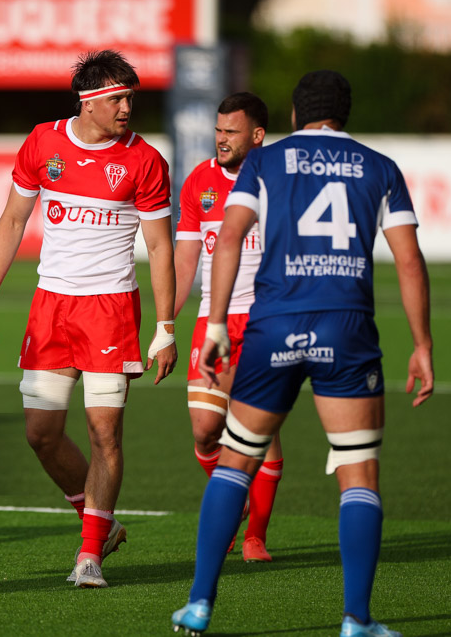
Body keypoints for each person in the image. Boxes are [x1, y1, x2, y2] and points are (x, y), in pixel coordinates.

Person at [171, 70, 433, 637]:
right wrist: (422, 345)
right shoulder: (380, 167)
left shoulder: (266, 163)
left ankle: (198, 603)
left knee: (236, 460)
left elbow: (232, 235)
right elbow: (410, 261)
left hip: (273, 325)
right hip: (348, 329)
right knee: (359, 474)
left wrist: (214, 322)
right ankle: (356, 620)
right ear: (345, 114)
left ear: (293, 116)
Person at [0, 49, 177, 589]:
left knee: (104, 430)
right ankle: (99, 519)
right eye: (117, 98)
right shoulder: (43, 142)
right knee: (41, 434)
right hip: (51, 308)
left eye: (131, 97)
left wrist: (166, 327)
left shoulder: (145, 161)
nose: (127, 107)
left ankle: (89, 554)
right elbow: (14, 217)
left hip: (110, 309)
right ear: (88, 103)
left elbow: (159, 248)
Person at [174, 92, 283, 562]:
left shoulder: (280, 180)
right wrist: (163, 325)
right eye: (217, 131)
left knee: (257, 430)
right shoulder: (199, 180)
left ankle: (255, 535)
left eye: (230, 132)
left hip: (266, 322)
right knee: (205, 429)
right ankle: (236, 497)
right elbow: (184, 261)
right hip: (213, 319)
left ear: (256, 135)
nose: (221, 140)